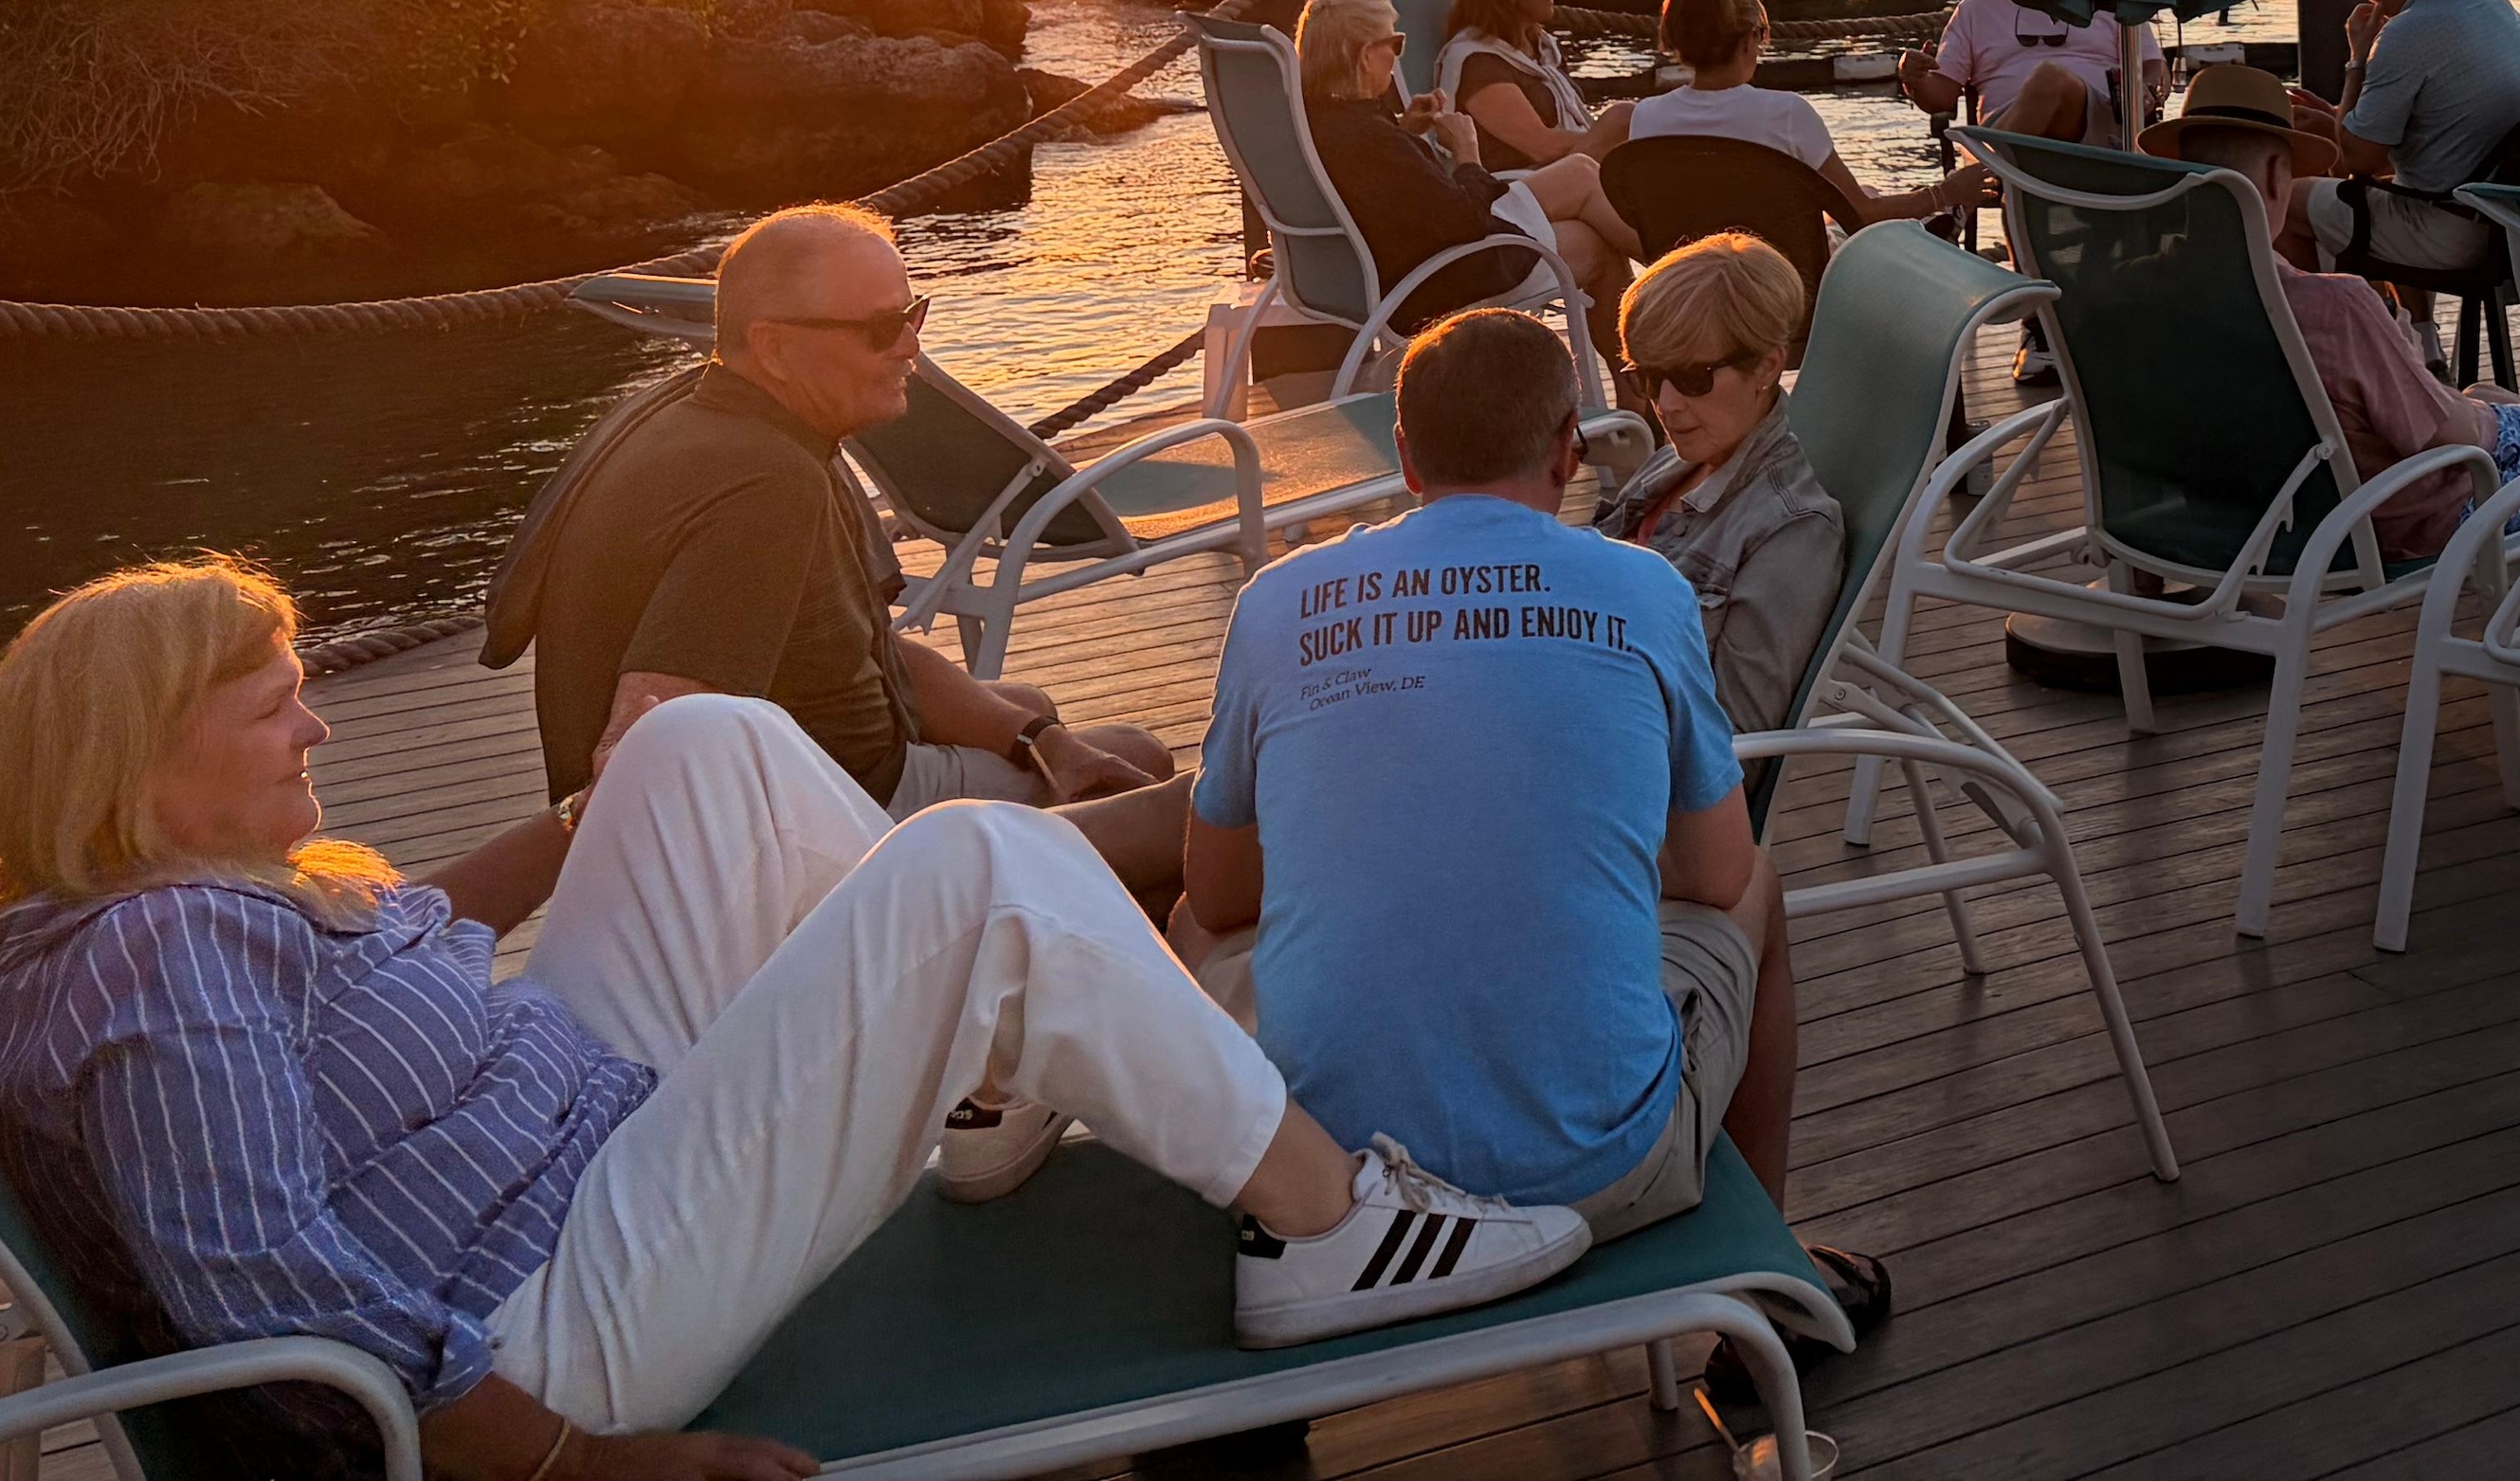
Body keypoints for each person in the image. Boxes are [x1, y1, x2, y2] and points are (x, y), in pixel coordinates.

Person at [0, 558, 1598, 1468]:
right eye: (276, 705)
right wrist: (581, 1465)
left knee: (709, 754)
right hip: (543, 1324)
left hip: (562, 1138)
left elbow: (402, 946)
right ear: (137, 766)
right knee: (974, 868)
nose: (320, 722)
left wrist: (586, 817)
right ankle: (1331, 1226)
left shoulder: (191, 910)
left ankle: (992, 1074)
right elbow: (263, 1286)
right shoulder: (156, 966)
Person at [1172, 310, 1890, 1346]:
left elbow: (1224, 894)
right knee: (1759, 890)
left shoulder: (1278, 602)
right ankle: (1758, 1281)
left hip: (1327, 1182)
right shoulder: (1643, 590)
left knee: (1196, 930)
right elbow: (1712, 872)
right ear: (1566, 451)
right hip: (1595, 1167)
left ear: (1405, 455)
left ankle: (1264, 1259)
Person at [498, 206, 1193, 901]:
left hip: (835, 764)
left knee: (1031, 708)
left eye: (913, 314)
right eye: (881, 330)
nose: (910, 348)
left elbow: (868, 650)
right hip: (836, 832)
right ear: (772, 347)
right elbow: (651, 733)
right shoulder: (767, 488)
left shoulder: (710, 419)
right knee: (1142, 762)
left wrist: (1041, 738)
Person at [2136, 63, 2520, 562]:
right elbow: (2455, 436)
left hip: (2240, 514)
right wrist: (2410, 363)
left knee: (2487, 394)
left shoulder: (2141, 289)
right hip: (2398, 522)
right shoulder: (2333, 308)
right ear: (2277, 178)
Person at [1280, 0, 1634, 389]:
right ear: (1364, 56)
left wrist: (1406, 132)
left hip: (1409, 260)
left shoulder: (1324, 121)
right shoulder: (1369, 140)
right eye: (1394, 45)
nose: (1396, 57)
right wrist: (1468, 150)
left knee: (1580, 173)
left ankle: (1677, 289)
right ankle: (1672, 310)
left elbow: (1392, 186)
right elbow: (1466, 222)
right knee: (1595, 240)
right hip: (1436, 278)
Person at [1600, 237, 1851, 732]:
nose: (1665, 404)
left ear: (1766, 365)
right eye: (1648, 377)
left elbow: (1735, 739)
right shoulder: (1676, 463)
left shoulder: (1791, 531)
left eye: (1693, 377)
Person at [1588, 0, 1977, 248]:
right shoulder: (1786, 114)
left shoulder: (1645, 121)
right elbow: (1860, 214)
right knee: (1878, 229)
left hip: (1687, 296)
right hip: (1786, 299)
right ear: (1747, 41)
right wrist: (1944, 193)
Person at [2297, 0, 2520, 280]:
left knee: (2285, 202)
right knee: (2389, 189)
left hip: (2462, 234)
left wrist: (2357, 60)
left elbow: (2357, 161)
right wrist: (2333, 116)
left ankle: (2338, 334)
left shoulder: (2407, 32)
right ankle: (2414, 333)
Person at [1431, 0, 1597, 169]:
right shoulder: (1478, 63)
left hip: (1571, 176)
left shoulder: (1542, 50)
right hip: (1515, 191)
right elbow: (1542, 147)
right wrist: (1613, 138)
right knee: (1622, 118)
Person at [1897, 0, 2121, 144]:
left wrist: (2147, 90)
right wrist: (1913, 79)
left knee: (2051, 79)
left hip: (2097, 121)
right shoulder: (1976, 8)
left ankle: (1987, 170)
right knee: (2049, 79)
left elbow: (2150, 67)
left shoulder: (2107, 1)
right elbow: (1941, 97)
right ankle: (1995, 164)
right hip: (2003, 120)